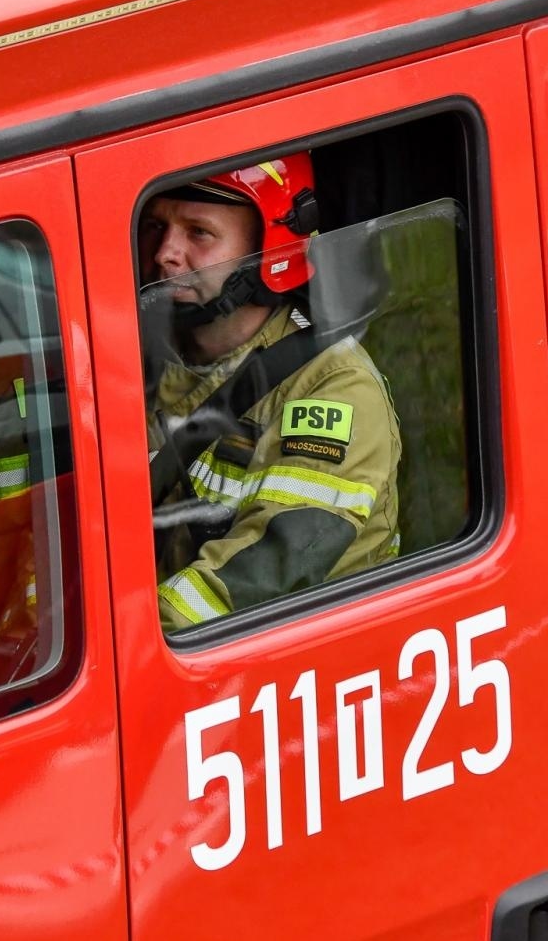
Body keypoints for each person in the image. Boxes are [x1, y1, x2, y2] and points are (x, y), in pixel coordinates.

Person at [141, 152, 401, 630]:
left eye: (199, 232)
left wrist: (114, 648)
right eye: (155, 226)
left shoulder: (333, 390)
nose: (165, 253)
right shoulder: (140, 366)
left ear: (271, 248)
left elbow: (249, 584)